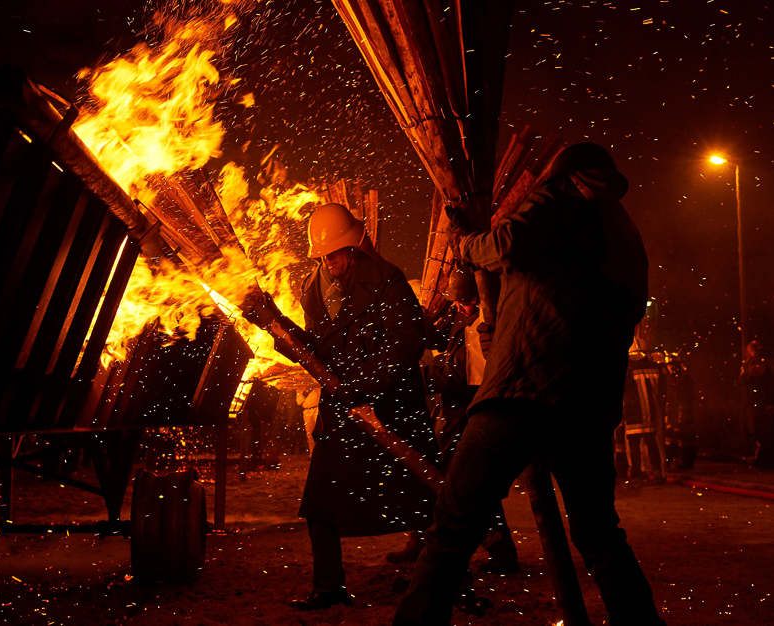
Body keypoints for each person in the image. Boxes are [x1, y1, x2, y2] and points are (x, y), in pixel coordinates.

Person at [393, 143, 666, 625]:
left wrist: (468, 243)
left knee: (452, 528)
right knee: (600, 534)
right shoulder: (622, 229)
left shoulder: (557, 200)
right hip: (588, 405)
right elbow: (571, 293)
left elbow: (504, 247)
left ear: (562, 174)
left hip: (522, 391)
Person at [264, 202, 440, 610]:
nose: (330, 261)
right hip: (343, 414)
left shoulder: (387, 280)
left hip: (391, 410)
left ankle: (451, 584)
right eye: (323, 255)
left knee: (424, 503)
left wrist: (364, 386)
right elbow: (319, 351)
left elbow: (407, 342)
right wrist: (279, 327)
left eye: (336, 252)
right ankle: (328, 588)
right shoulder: (313, 289)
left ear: (354, 246)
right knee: (320, 505)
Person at [387, 269, 519, 580]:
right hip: (447, 416)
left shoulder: (484, 325)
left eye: (466, 302)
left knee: (469, 486)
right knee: (432, 479)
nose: (460, 307)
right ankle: (422, 540)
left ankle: (500, 550)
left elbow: (457, 376)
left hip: (469, 414)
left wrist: (407, 378)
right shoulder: (460, 316)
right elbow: (435, 335)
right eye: (457, 302)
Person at [621, 345, 666, 487]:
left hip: (633, 414)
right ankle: (658, 472)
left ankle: (636, 477)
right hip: (651, 413)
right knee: (652, 443)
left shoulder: (627, 369)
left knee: (634, 447)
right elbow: (662, 390)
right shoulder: (654, 367)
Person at [741, 341, 774, 467]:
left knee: (767, 434)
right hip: (756, 407)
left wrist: (771, 403)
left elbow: (770, 388)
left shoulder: (766, 371)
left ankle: (764, 459)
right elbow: (745, 381)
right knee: (760, 433)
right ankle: (762, 459)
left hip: (764, 407)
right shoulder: (751, 369)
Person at [664, 353, 697, 469]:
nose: (670, 367)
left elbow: (685, 398)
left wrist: (682, 415)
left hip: (684, 413)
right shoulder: (670, 378)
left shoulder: (685, 378)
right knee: (672, 438)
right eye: (668, 364)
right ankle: (668, 461)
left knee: (686, 438)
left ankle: (687, 463)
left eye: (672, 364)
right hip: (674, 413)